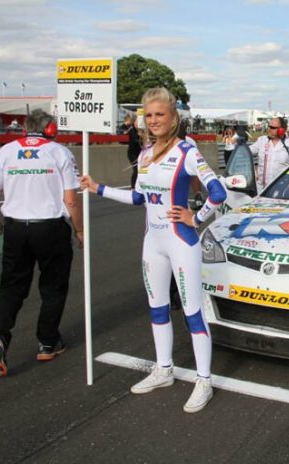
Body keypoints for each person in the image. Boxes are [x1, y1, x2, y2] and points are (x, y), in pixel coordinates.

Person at [80, 87, 227, 412]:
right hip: (153, 243)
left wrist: (196, 217)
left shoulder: (187, 151)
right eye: (149, 115)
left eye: (160, 114)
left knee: (191, 313)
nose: (155, 120)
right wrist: (97, 188)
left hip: (181, 243)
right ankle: (164, 369)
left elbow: (218, 192)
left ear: (173, 117)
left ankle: (204, 380)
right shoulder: (145, 154)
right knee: (157, 308)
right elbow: (138, 198)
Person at [0, 109, 83, 377]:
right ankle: (47, 343)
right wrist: (79, 230)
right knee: (53, 286)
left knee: (12, 286)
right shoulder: (60, 152)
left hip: (15, 228)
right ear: (51, 129)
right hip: (50, 229)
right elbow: (71, 199)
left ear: (26, 128)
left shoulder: (5, 152)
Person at [249, 117, 289, 192]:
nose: (269, 129)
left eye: (272, 127)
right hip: (260, 189)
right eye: (268, 126)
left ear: (282, 130)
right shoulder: (262, 141)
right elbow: (246, 153)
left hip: (281, 189)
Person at [125, 113, 142, 189]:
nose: (138, 124)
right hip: (132, 154)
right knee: (136, 170)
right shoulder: (132, 130)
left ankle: (140, 186)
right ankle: (133, 188)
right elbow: (135, 140)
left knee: (142, 171)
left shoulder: (142, 130)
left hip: (140, 153)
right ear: (134, 122)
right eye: (136, 122)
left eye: (139, 122)